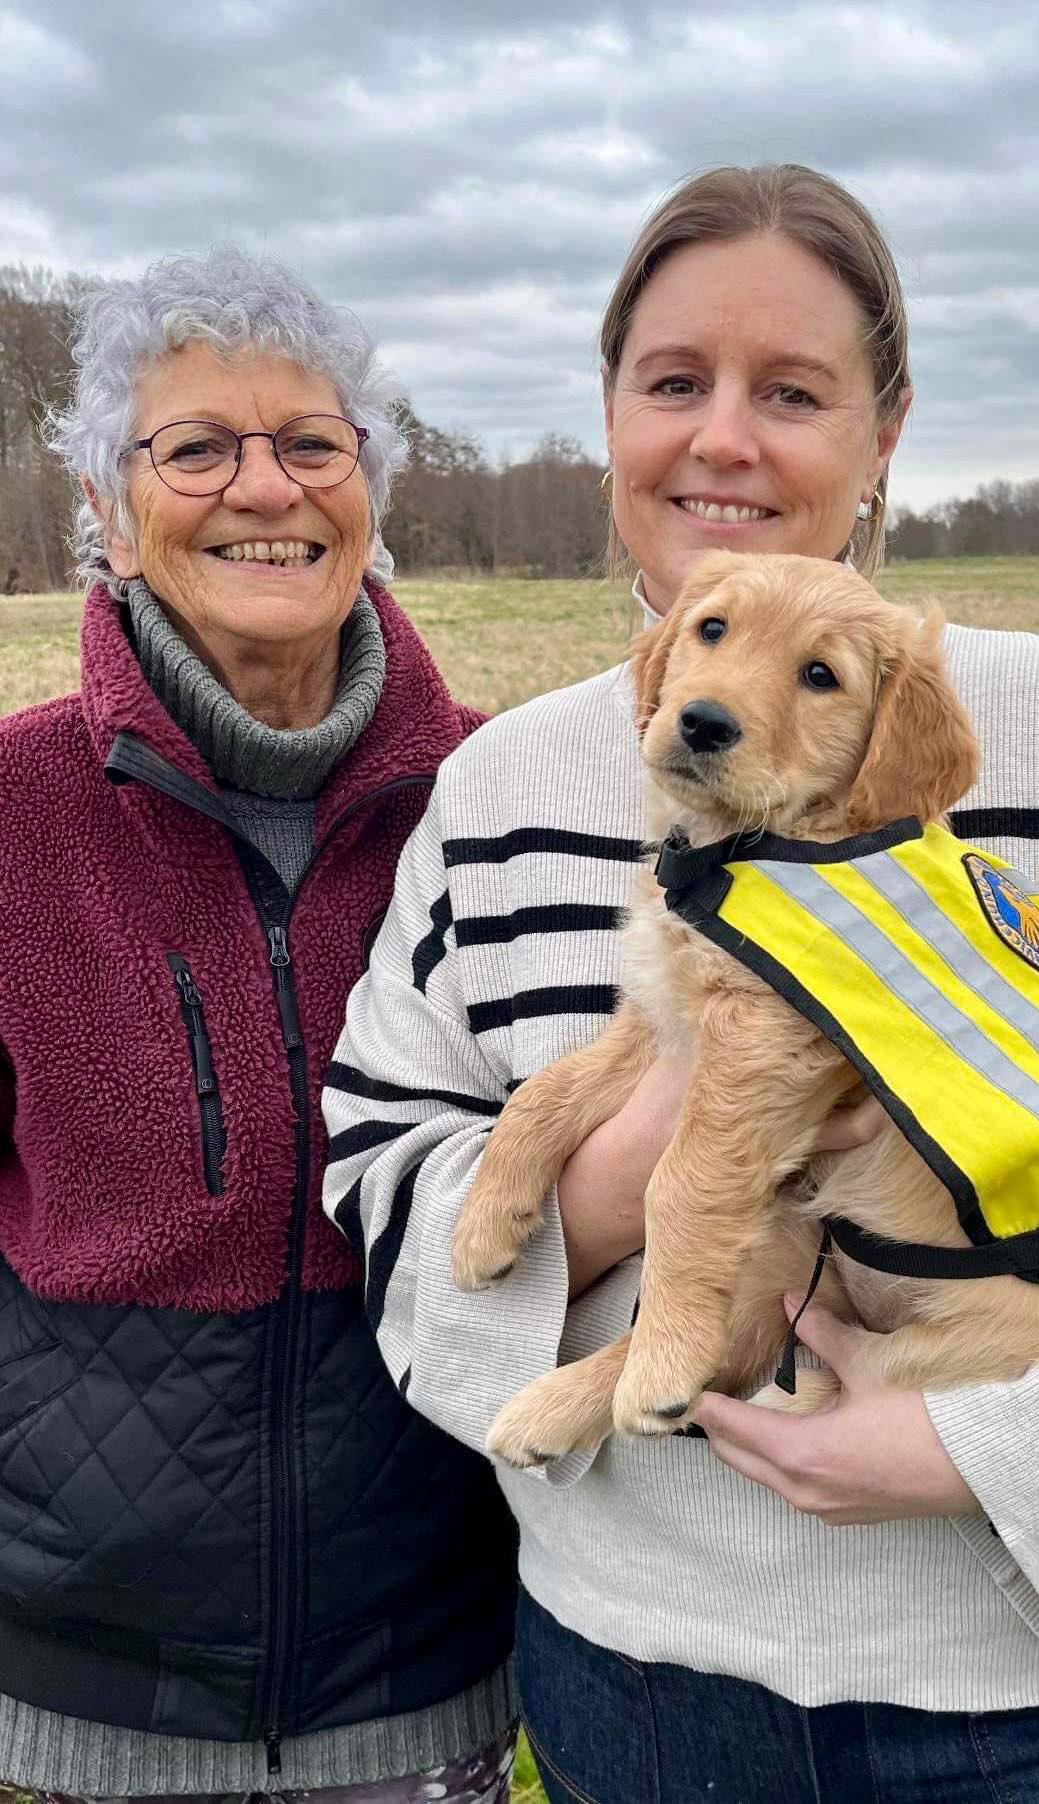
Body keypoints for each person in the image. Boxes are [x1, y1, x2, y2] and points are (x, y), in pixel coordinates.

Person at [322, 166, 1039, 1802]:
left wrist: (1004, 1450)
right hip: (632, 1680)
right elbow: (381, 1192)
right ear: (610, 415)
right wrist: (634, 1153)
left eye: (790, 390)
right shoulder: (495, 787)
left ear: (884, 431)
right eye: (672, 382)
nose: (723, 439)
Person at [0, 246, 519, 1804]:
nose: (262, 488)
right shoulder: (13, 811)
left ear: (369, 485)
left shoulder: (504, 798)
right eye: (196, 447)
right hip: (76, 1694)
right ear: (107, 504)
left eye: (310, 441)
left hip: (427, 1667)